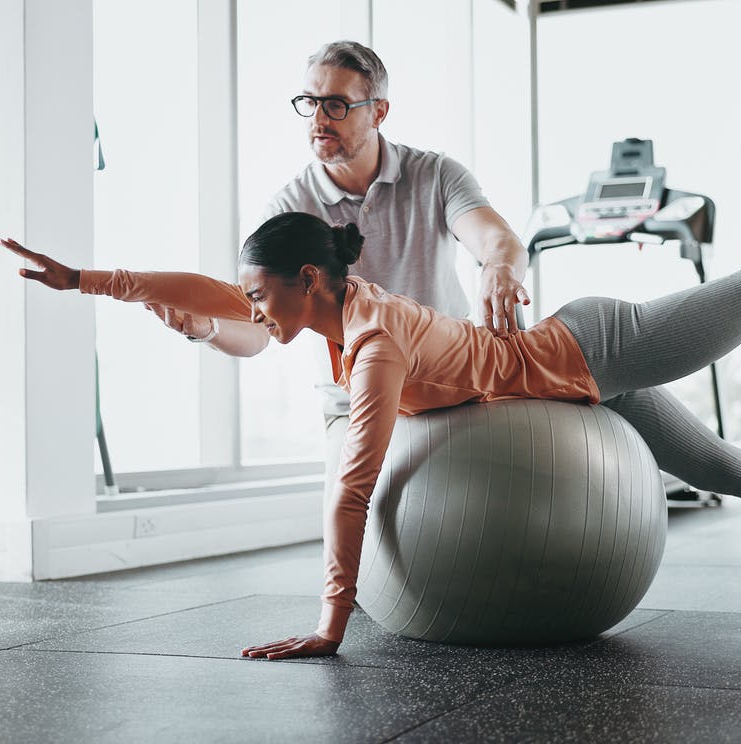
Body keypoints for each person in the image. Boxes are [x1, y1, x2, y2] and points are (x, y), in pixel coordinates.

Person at [1, 104, 741, 659]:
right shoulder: (318, 298)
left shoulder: (370, 348)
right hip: (561, 391)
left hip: (590, 354)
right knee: (716, 466)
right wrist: (90, 281)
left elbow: (356, 487)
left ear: (310, 281)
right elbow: (209, 292)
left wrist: (330, 620)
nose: (250, 311)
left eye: (263, 298)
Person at [146, 40, 530, 502]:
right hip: (353, 402)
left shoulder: (436, 175)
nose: (318, 119)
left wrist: (499, 267)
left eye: (336, 105)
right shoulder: (290, 207)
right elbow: (259, 328)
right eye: (309, 103)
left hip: (448, 387)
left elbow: (494, 238)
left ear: (379, 112)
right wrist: (206, 329)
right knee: (352, 525)